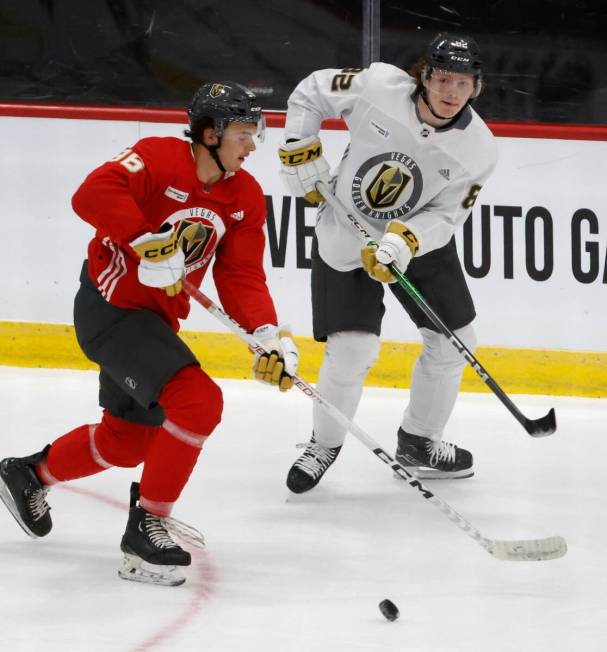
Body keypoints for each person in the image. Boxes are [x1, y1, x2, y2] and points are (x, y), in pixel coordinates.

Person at [0, 81, 299, 586]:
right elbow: (92, 192)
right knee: (198, 402)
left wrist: (267, 335)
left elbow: (242, 275)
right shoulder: (156, 157)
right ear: (210, 134)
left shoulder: (243, 196)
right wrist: (144, 241)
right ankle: (147, 530)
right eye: (244, 133)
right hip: (110, 309)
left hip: (154, 322)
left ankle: (29, 474)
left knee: (127, 442)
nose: (253, 145)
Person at [278, 33, 497, 493]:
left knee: (455, 341)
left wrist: (407, 240)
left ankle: (419, 442)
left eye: (462, 82)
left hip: (415, 242)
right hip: (345, 227)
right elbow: (313, 91)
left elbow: (447, 215)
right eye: (441, 78)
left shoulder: (479, 149)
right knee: (353, 349)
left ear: (475, 87)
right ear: (424, 76)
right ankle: (323, 444)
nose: (450, 92)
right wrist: (300, 147)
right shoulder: (379, 86)